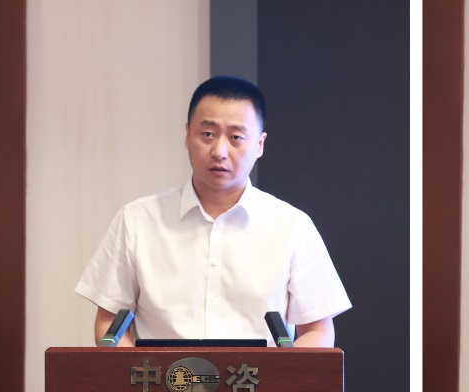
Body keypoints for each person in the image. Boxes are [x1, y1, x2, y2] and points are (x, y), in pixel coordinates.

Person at [77, 76, 351, 347]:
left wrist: (279, 375)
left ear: (259, 144)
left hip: (257, 377)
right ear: (187, 135)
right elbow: (108, 322)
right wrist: (137, 374)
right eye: (208, 134)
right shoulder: (137, 220)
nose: (219, 151)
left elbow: (317, 331)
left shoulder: (292, 226)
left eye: (236, 137)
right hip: (159, 376)